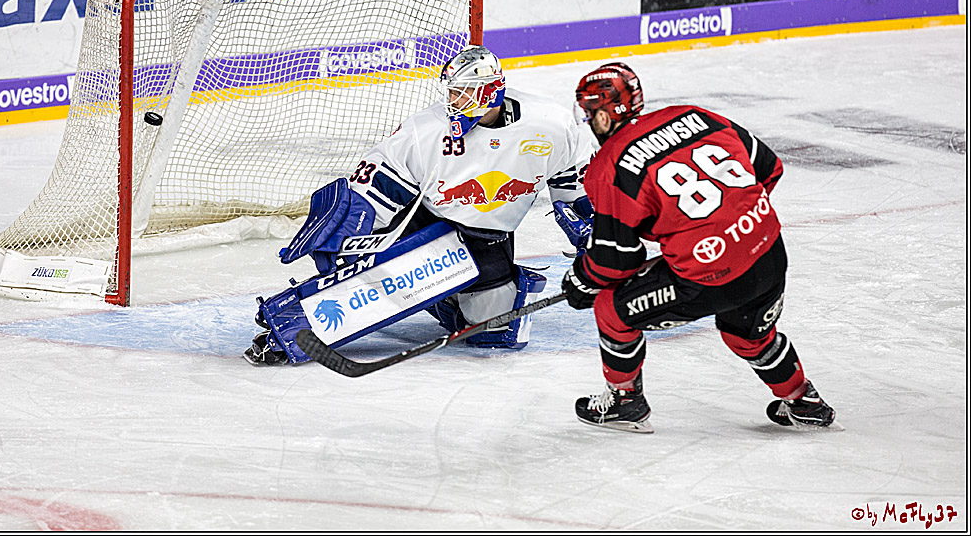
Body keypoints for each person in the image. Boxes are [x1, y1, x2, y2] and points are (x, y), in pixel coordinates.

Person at [246, 45, 597, 365]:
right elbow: (377, 185)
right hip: (429, 229)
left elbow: (571, 188)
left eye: (461, 93)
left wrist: (593, 234)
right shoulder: (427, 131)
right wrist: (352, 234)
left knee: (493, 334)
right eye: (451, 92)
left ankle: (445, 297)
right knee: (372, 285)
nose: (452, 101)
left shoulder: (551, 124)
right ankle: (288, 325)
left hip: (490, 237)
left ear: (490, 92)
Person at [561, 62, 836, 431]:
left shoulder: (609, 165)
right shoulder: (696, 116)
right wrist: (730, 226)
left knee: (611, 309)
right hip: (769, 251)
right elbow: (769, 167)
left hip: (710, 276)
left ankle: (625, 402)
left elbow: (616, 261)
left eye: (589, 112)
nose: (588, 121)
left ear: (604, 115)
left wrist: (581, 280)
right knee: (747, 334)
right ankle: (805, 401)